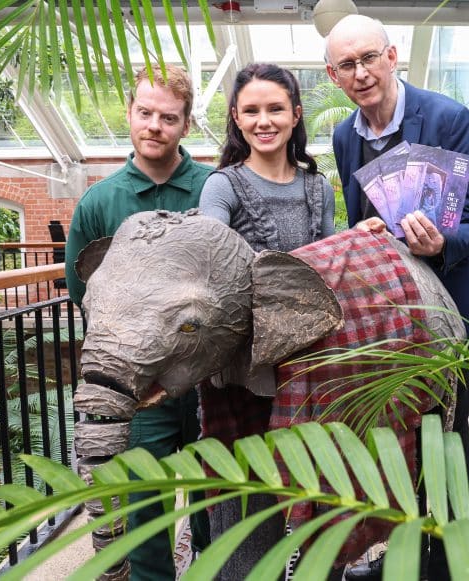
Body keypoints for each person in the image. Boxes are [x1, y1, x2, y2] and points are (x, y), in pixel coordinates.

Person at [325, 15, 469, 581]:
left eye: (369, 57)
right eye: (347, 64)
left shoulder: (446, 117)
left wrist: (440, 241)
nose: (361, 72)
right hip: (385, 320)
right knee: (394, 441)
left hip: (444, 315)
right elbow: (358, 223)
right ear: (333, 75)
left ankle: (448, 568)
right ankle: (404, 561)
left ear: (392, 55)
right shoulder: (345, 137)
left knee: (447, 440)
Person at [64, 63, 211, 581]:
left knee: (218, 492)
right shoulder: (100, 202)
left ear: (186, 124)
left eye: (168, 117)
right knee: (144, 501)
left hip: (208, 377)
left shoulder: (213, 191)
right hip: (138, 384)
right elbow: (84, 293)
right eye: (144, 113)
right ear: (129, 114)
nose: (154, 126)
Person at [198, 62, 336, 580]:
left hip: (309, 366)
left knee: (320, 496)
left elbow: (327, 263)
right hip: (243, 371)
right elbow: (214, 263)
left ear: (296, 114)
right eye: (251, 110)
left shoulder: (317, 187)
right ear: (235, 118)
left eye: (275, 108)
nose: (264, 120)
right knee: (246, 502)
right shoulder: (222, 186)